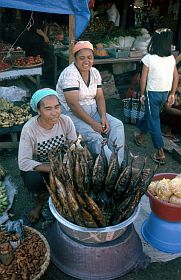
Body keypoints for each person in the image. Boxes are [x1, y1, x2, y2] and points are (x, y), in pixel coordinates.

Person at [56, 41, 125, 166]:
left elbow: (99, 97)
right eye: (82, 58)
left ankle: (117, 162)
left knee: (117, 125)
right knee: (96, 137)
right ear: (75, 58)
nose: (86, 61)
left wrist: (103, 117)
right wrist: (93, 124)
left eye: (90, 57)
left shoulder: (94, 72)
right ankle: (115, 168)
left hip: (93, 111)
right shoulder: (70, 74)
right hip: (72, 114)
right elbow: (73, 105)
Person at [18, 88, 77, 224]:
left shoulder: (66, 121)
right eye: (48, 108)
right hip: (42, 167)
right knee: (34, 179)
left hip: (63, 162)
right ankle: (39, 204)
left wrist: (69, 164)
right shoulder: (29, 129)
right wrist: (53, 169)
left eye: (57, 107)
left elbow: (73, 146)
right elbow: (23, 162)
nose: (54, 112)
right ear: (38, 111)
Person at [134, 28, 179, 164]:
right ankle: (141, 136)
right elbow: (175, 77)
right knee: (151, 116)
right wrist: (172, 94)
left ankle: (160, 152)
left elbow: (143, 79)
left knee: (153, 120)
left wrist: (142, 94)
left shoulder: (149, 58)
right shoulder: (171, 58)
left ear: (155, 42)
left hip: (151, 93)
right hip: (164, 94)